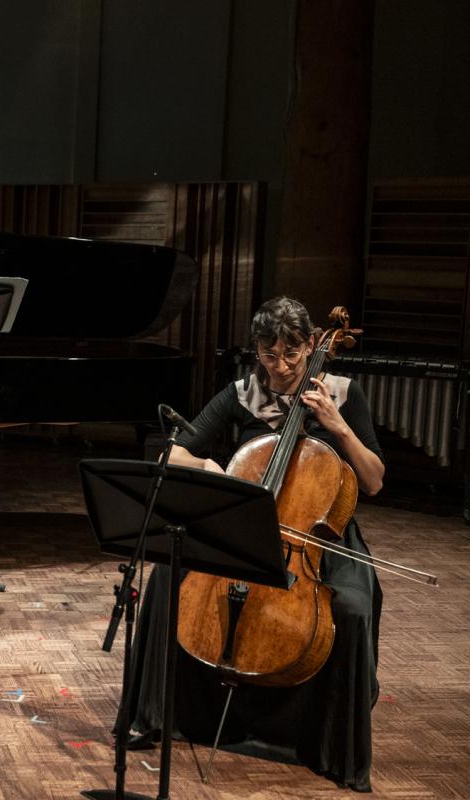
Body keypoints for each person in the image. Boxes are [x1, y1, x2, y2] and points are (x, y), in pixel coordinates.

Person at [123, 295, 385, 791]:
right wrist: (212, 468)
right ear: (257, 351)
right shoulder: (242, 393)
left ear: (312, 344)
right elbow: (177, 453)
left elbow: (372, 481)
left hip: (318, 536)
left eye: (292, 354)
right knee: (164, 581)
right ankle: (152, 716)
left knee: (349, 608)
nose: (281, 367)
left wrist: (338, 426)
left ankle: (335, 748)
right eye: (269, 355)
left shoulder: (344, 393)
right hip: (247, 527)